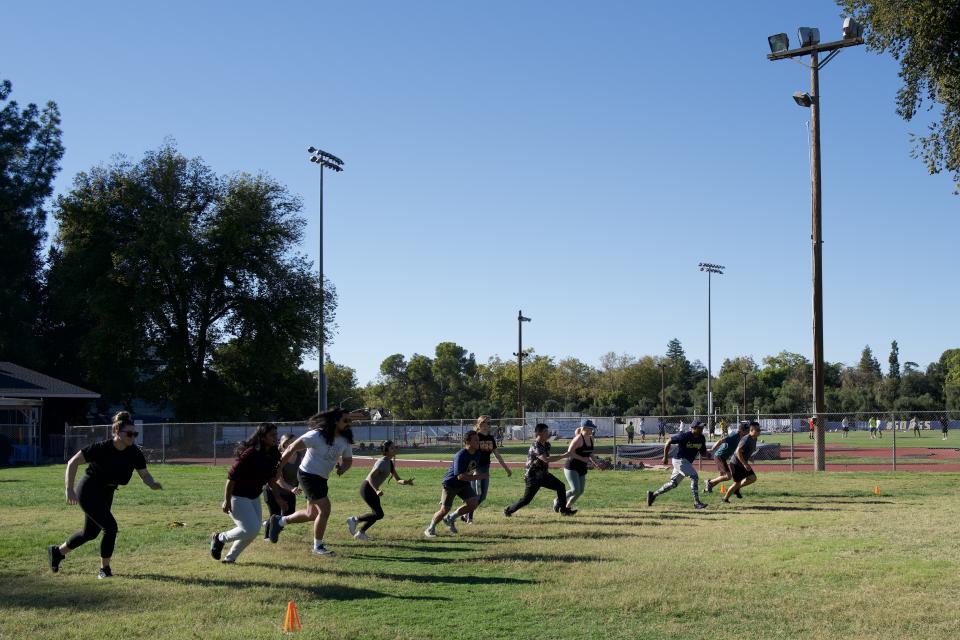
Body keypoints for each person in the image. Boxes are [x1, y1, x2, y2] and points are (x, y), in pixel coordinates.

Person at [47, 411, 162, 578]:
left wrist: (152, 483)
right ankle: (105, 570)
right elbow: (72, 462)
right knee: (110, 527)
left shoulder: (134, 452)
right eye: (129, 433)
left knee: (90, 533)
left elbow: (144, 474)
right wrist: (69, 489)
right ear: (117, 432)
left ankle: (57, 552)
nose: (132, 437)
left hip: (107, 492)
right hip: (88, 490)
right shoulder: (101, 448)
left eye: (135, 434)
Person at [267, 408, 356, 557]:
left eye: (350, 421)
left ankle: (279, 521)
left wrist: (342, 469)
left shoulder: (345, 440)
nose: (349, 424)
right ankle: (318, 547)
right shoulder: (317, 435)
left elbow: (348, 460)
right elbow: (291, 447)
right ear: (335, 421)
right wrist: (278, 468)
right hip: (307, 475)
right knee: (325, 509)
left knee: (311, 514)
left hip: (321, 478)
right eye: (345, 421)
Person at [210, 423, 288, 564]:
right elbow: (231, 478)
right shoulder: (251, 453)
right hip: (237, 496)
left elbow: (271, 479)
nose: (275, 437)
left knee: (252, 530)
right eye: (272, 435)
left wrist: (278, 498)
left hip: (253, 497)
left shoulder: (274, 453)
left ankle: (230, 558)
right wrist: (227, 500)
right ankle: (219, 538)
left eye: (276, 434)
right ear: (263, 437)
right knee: (250, 529)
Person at [346, 441, 413, 541]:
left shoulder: (389, 462)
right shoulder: (382, 462)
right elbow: (371, 478)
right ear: (386, 451)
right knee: (378, 514)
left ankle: (360, 533)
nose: (394, 449)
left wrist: (406, 481)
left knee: (377, 514)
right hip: (367, 488)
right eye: (392, 448)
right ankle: (355, 520)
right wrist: (376, 490)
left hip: (372, 490)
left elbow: (398, 479)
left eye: (394, 447)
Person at [424, 431, 487, 537]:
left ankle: (450, 519)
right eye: (475, 440)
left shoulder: (477, 453)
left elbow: (471, 469)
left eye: (478, 440)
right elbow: (460, 476)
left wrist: (477, 476)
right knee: (444, 509)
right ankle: (430, 529)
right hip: (451, 484)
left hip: (463, 484)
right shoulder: (461, 455)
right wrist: (478, 477)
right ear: (467, 442)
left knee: (473, 503)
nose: (478, 442)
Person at [504, 423, 575, 517]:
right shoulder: (535, 445)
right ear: (539, 433)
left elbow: (546, 461)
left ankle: (564, 510)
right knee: (526, 500)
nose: (548, 433)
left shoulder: (547, 445)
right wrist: (564, 456)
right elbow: (546, 459)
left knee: (560, 486)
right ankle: (508, 511)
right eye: (545, 431)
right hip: (533, 476)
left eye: (548, 431)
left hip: (543, 474)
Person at [646, 420, 707, 509]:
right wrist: (666, 457)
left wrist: (709, 452)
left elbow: (703, 453)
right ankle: (696, 502)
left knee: (673, 484)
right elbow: (668, 442)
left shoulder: (701, 438)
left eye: (702, 427)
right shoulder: (685, 436)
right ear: (693, 428)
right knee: (694, 476)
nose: (702, 429)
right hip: (680, 460)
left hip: (686, 463)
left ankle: (653, 495)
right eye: (699, 427)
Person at [464, 415, 512, 524]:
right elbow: (467, 452)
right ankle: (469, 518)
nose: (490, 425)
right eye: (488, 423)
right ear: (481, 424)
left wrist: (506, 469)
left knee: (483, 496)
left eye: (490, 423)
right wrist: (470, 470)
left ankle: (465, 513)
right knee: (476, 494)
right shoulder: (476, 436)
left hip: (485, 468)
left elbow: (497, 455)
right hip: (475, 468)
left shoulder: (491, 438)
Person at [559, 419, 604, 512]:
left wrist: (596, 463)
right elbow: (569, 452)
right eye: (591, 429)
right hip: (571, 467)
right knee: (575, 490)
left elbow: (590, 453)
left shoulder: (591, 438)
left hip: (581, 468)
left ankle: (567, 507)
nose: (592, 431)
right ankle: (558, 500)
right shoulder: (578, 439)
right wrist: (582, 458)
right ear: (584, 428)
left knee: (580, 491)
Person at [263, 433, 300, 540]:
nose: (291, 444)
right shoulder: (278, 457)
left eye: (293, 441)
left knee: (290, 514)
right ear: (282, 444)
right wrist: (292, 488)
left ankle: (267, 523)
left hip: (289, 491)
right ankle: (267, 537)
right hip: (272, 490)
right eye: (288, 442)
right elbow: (279, 480)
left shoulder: (300, 456)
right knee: (274, 514)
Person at [705, 422, 749, 498]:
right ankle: (709, 482)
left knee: (721, 476)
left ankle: (707, 489)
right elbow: (721, 441)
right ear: (741, 430)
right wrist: (712, 449)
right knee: (728, 476)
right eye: (746, 430)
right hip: (720, 456)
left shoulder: (740, 437)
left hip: (723, 457)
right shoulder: (735, 435)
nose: (747, 432)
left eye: (748, 430)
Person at [723, 421, 761, 504]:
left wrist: (749, 457)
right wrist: (745, 464)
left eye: (759, 429)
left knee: (752, 478)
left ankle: (736, 489)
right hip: (735, 464)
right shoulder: (746, 439)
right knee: (737, 483)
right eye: (757, 430)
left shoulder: (754, 438)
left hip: (743, 463)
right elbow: (737, 452)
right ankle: (725, 499)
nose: (759, 431)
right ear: (751, 430)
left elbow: (746, 451)